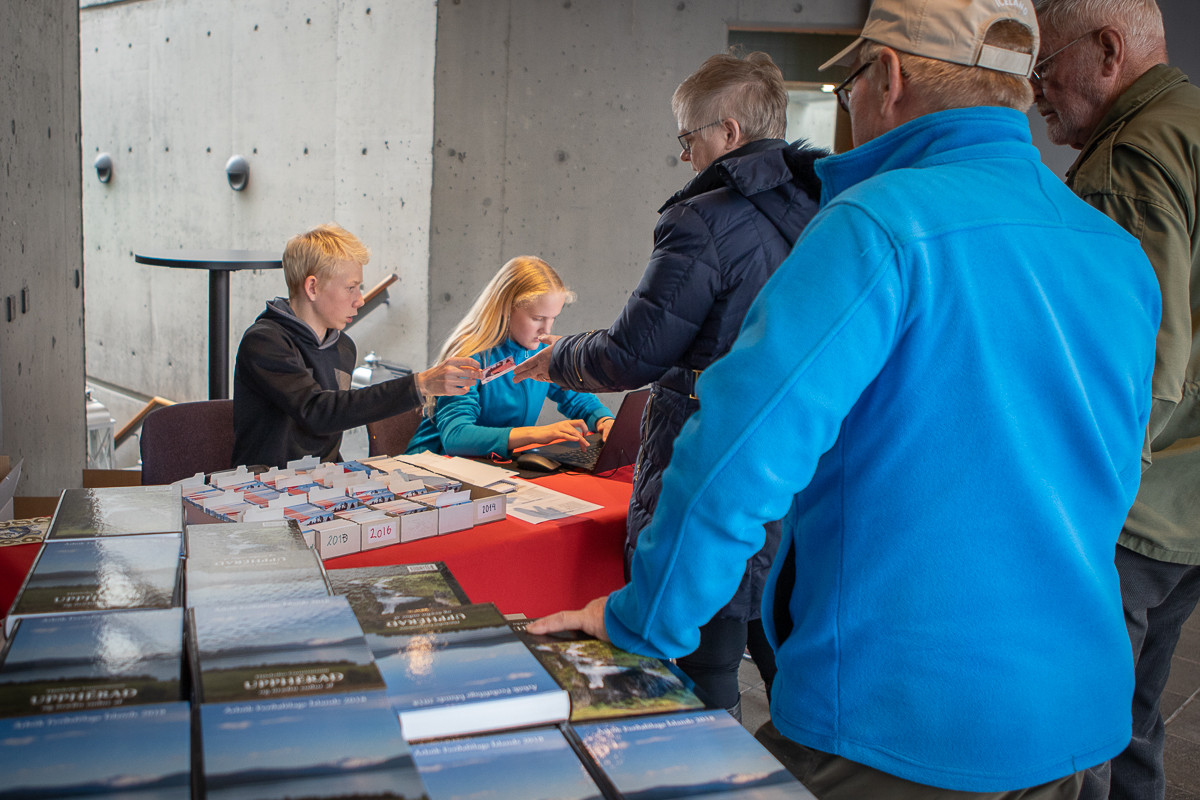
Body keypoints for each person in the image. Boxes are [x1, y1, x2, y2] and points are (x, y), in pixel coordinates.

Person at [529, 0, 1163, 797]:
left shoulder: (878, 224)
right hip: (1074, 717)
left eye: (850, 81)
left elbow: (737, 449)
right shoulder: (1115, 252)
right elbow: (1112, 471)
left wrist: (644, 619)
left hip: (896, 719)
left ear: (886, 78)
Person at [513, 51, 824, 719]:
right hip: (805, 468)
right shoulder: (824, 210)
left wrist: (556, 357)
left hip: (713, 460)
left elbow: (633, 355)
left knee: (698, 667)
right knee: (787, 657)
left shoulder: (704, 219)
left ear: (729, 133)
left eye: (689, 138)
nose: (685, 157)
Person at [1031, 2, 1200, 798]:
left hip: (1139, 506)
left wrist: (1074, 510)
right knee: (1132, 715)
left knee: (1078, 732)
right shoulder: (1190, 121)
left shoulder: (1132, 155)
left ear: (1106, 51)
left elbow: (1140, 361)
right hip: (1186, 502)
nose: (1037, 92)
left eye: (1045, 66)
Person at [232, 223, 482, 468]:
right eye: (351, 288)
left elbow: (333, 424)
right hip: (262, 488)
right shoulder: (265, 342)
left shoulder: (343, 347)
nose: (359, 300)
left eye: (359, 288)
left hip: (322, 485)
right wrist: (419, 384)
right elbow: (318, 412)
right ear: (312, 287)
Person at [405, 256, 613, 458]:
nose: (546, 329)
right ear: (506, 309)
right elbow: (456, 437)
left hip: (491, 466)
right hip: (433, 470)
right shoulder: (470, 355)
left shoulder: (540, 350)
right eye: (537, 318)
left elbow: (575, 397)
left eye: (553, 319)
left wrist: (603, 419)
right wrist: (537, 434)